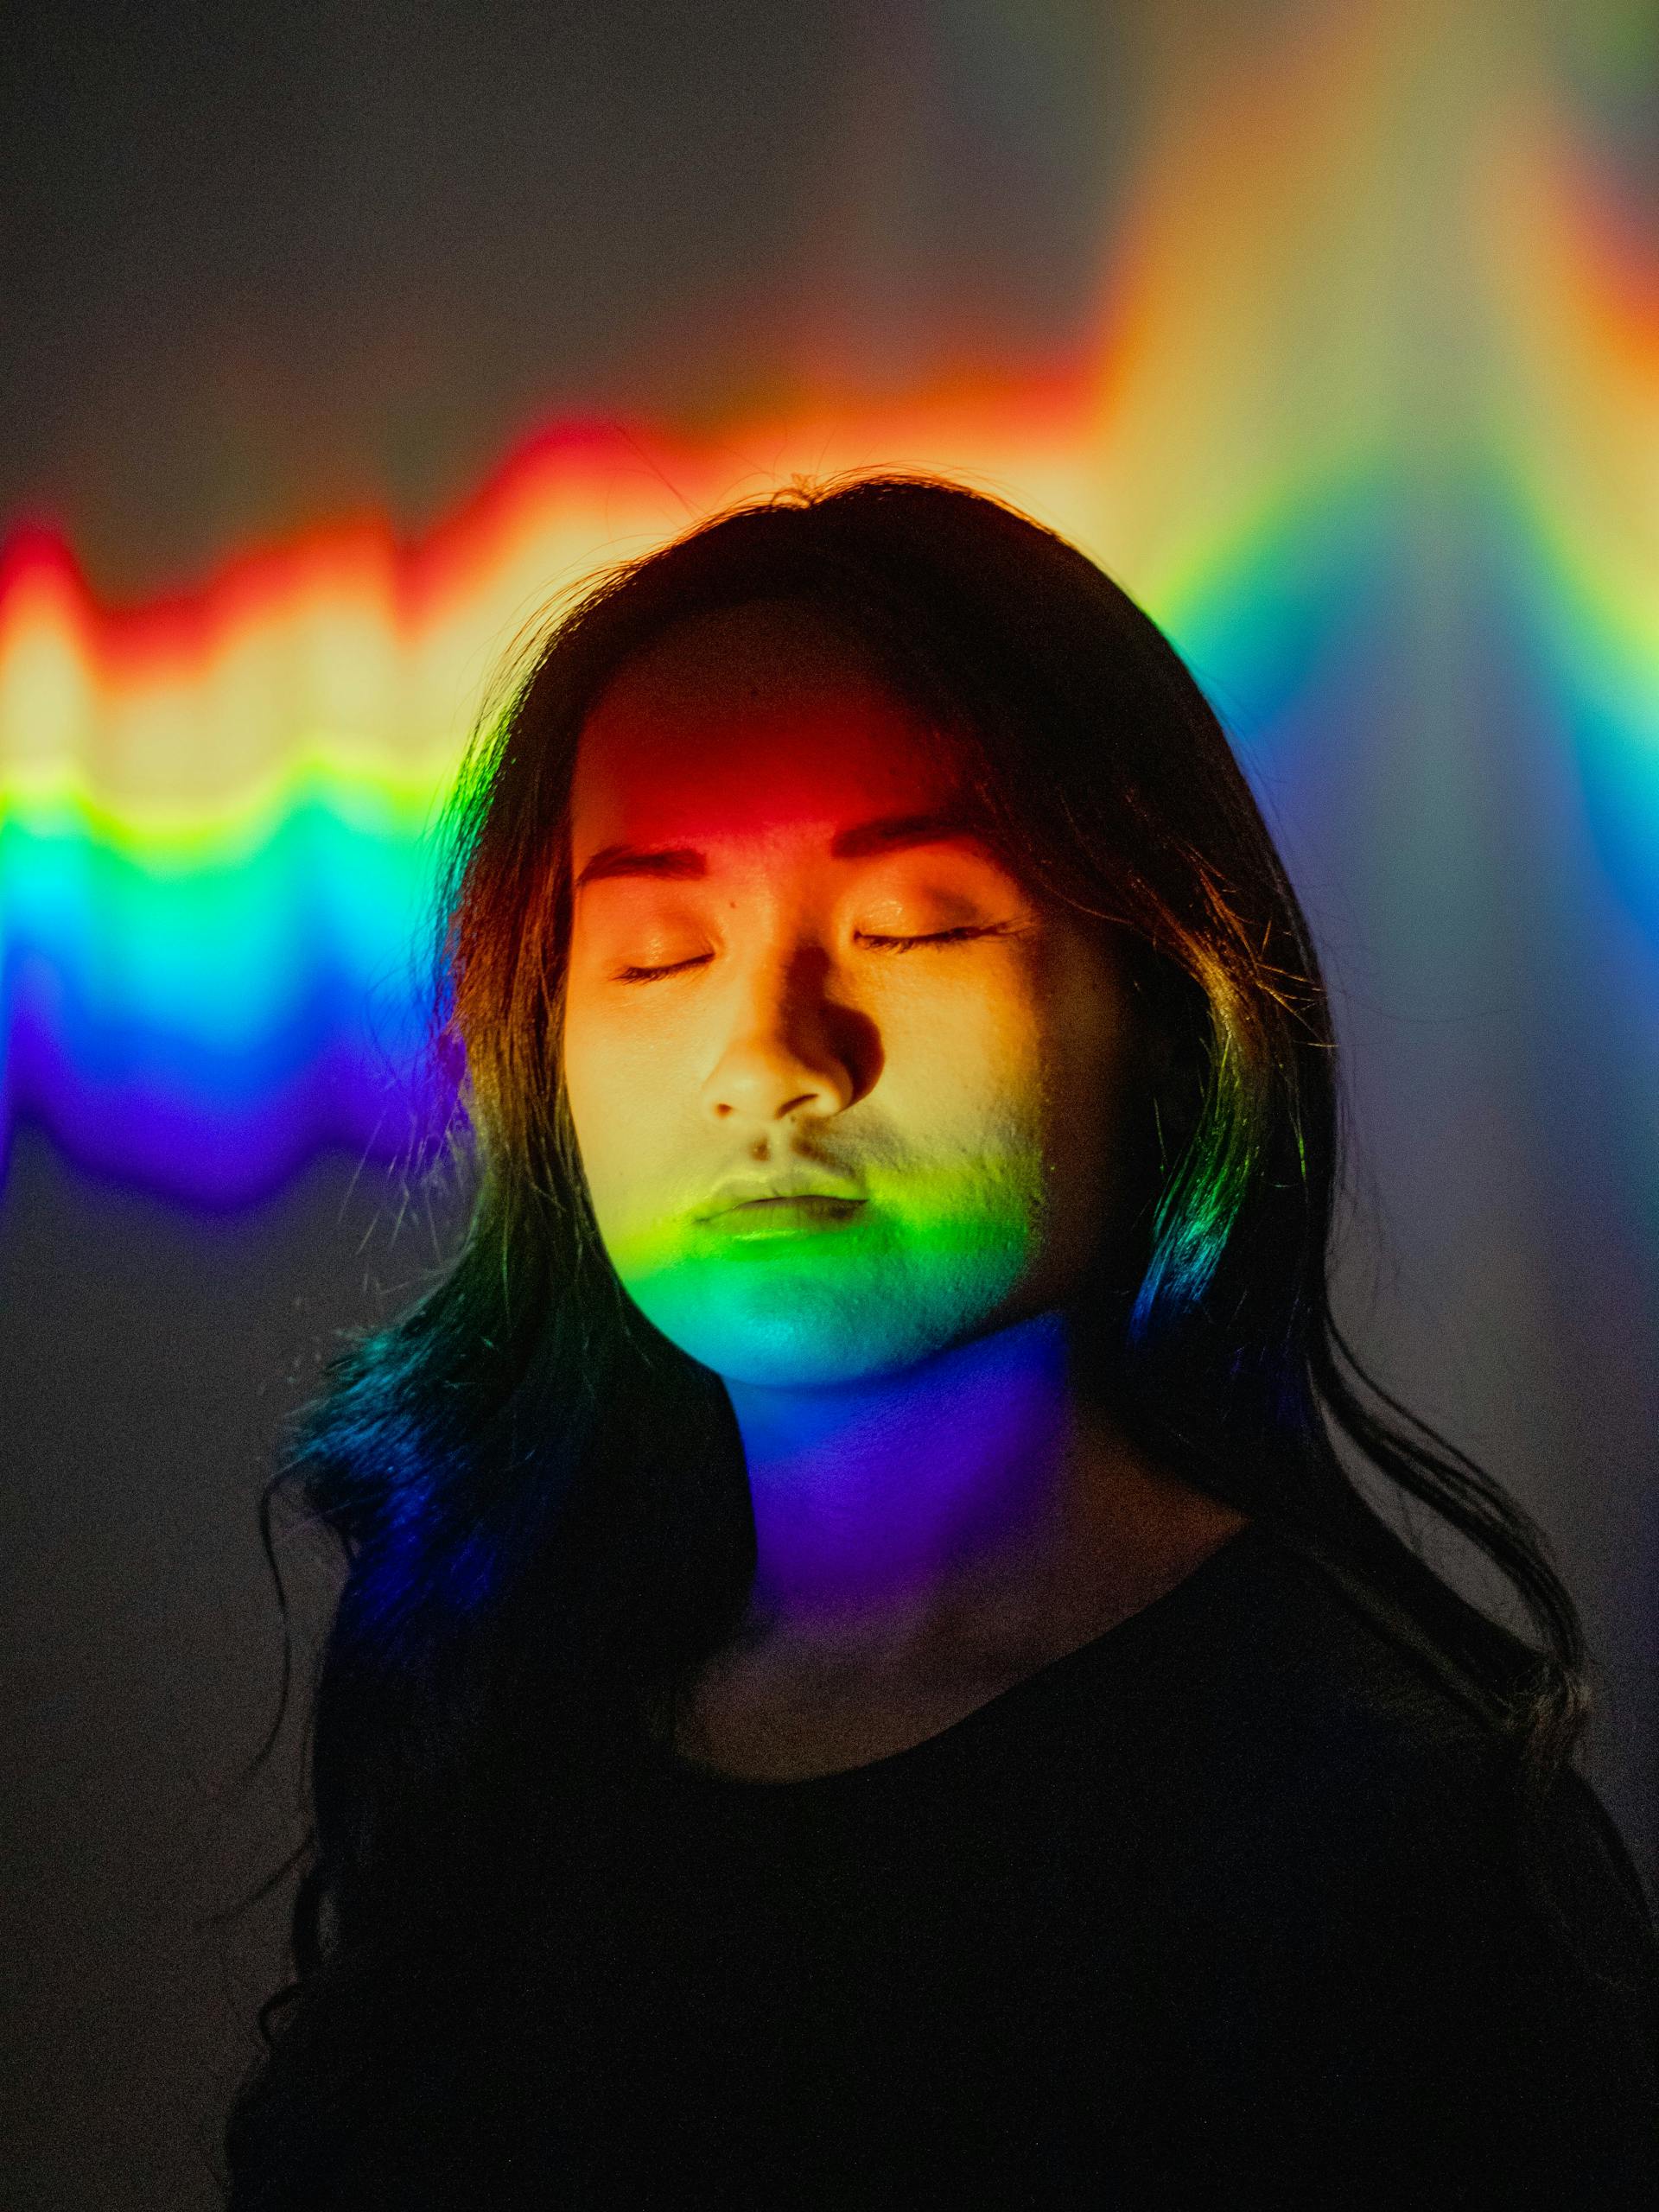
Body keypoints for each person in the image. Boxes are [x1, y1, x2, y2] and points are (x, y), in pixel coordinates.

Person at [222, 473, 1657, 2209]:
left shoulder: (1390, 1852)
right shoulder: (501, 1730)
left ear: (1159, 1003)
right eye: (658, 952)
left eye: (914, 926)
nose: (773, 1055)